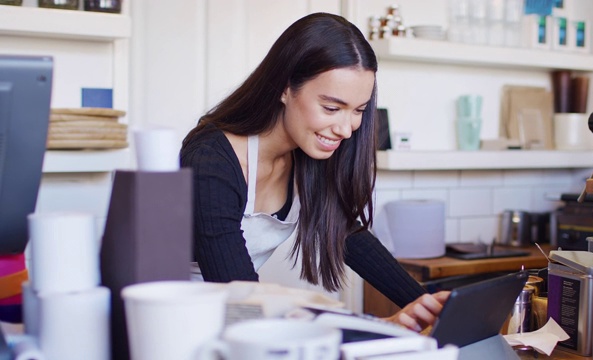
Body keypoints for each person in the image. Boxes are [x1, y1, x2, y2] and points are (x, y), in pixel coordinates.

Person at [180, 12, 449, 332]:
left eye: (358, 111)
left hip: (240, 322)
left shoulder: (305, 156)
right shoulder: (211, 159)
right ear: (284, 87)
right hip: (180, 325)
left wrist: (423, 306)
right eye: (332, 108)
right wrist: (375, 327)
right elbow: (241, 293)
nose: (347, 128)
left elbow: (349, 235)